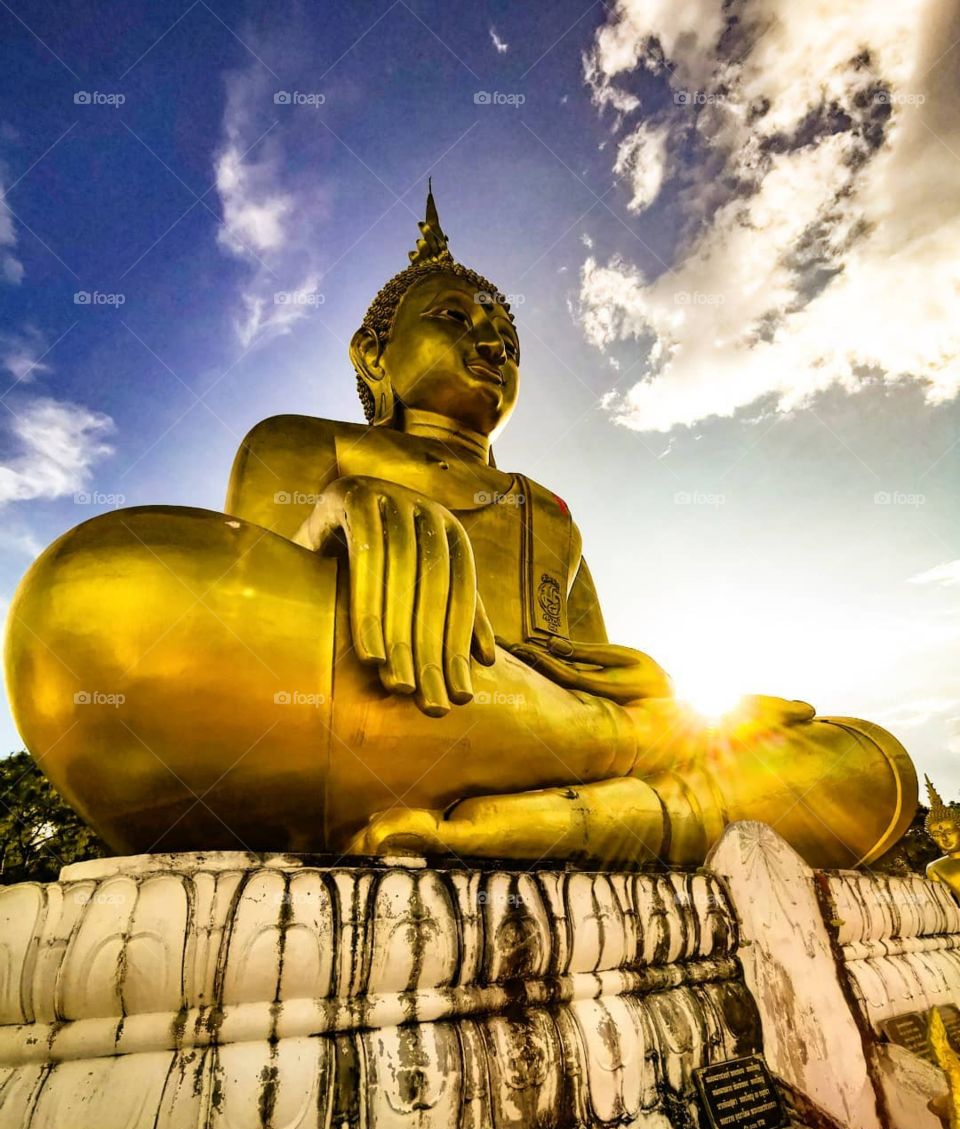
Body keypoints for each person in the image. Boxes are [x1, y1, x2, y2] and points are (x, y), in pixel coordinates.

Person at [3, 187, 916, 866]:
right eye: (456, 319)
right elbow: (246, 597)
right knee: (97, 599)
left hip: (518, 733)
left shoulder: (547, 508)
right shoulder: (305, 444)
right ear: (373, 355)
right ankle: (637, 788)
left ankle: (540, 824)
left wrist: (659, 700)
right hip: (380, 700)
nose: (489, 345)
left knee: (868, 767)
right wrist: (338, 513)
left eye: (506, 341)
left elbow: (580, 665)